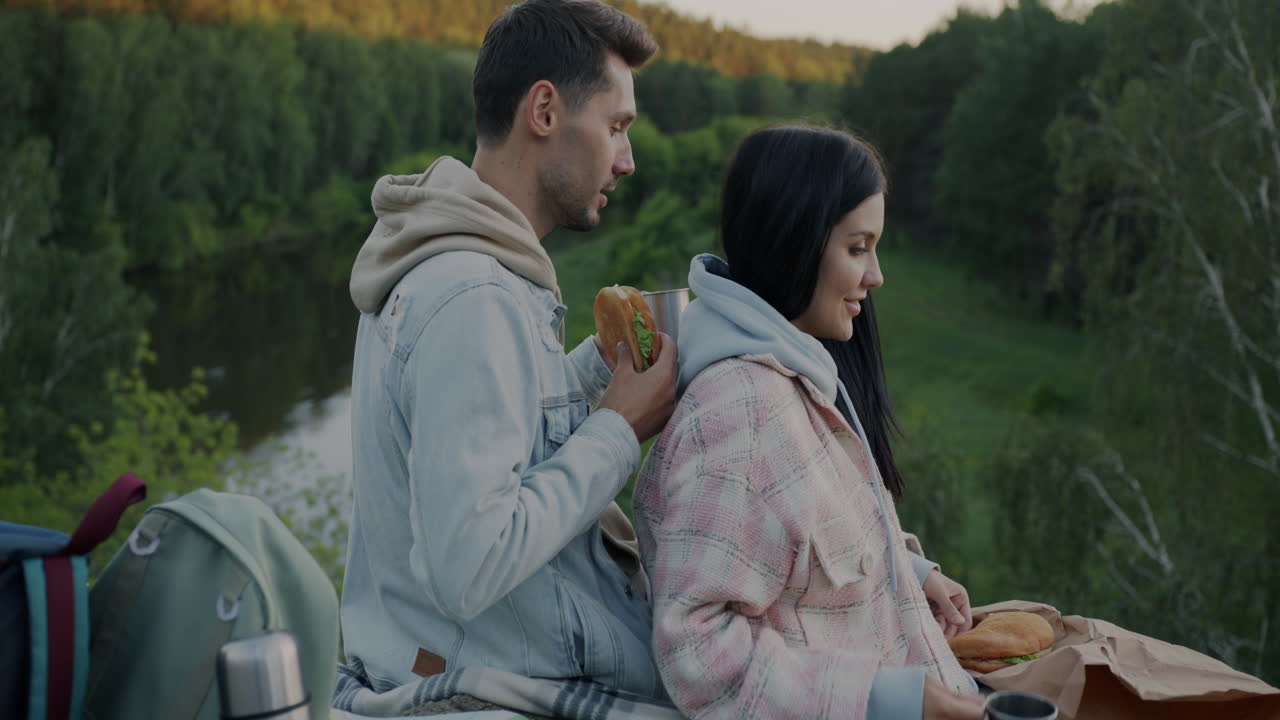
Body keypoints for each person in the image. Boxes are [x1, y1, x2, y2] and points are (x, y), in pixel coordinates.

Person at [338, 0, 678, 710]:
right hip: (492, 691)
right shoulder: (473, 297)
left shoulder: (455, 266)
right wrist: (617, 431)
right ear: (545, 111)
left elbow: (505, 435)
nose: (627, 160)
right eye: (617, 127)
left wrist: (595, 369)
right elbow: (473, 562)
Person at [632, 124, 988, 720]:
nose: (876, 275)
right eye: (857, 248)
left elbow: (800, 537)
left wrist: (907, 573)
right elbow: (695, 651)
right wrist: (889, 702)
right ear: (793, 240)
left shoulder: (794, 373)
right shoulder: (740, 411)